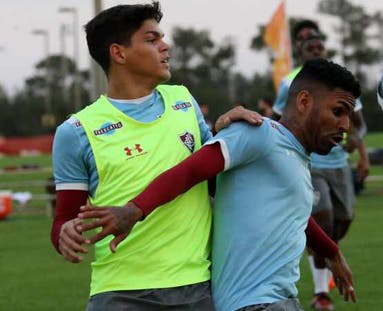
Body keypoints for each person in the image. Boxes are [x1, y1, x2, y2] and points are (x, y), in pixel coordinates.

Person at [76, 58, 360, 311]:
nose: (346, 125)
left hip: (278, 300)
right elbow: (190, 171)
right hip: (257, 303)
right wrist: (134, 210)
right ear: (304, 102)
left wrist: (331, 251)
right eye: (338, 111)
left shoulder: (292, 154)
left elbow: (294, 215)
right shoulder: (259, 134)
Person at [50, 2, 263, 310]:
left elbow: (212, 179)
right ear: (118, 53)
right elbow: (62, 220)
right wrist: (65, 235)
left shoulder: (183, 101)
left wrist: (225, 135)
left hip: (196, 287)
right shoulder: (77, 131)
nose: (166, 46)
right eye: (152, 40)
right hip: (120, 293)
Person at [273, 20, 369, 311]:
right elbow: (281, 121)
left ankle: (324, 262)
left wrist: (361, 152)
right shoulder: (291, 83)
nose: (314, 49)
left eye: (318, 45)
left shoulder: (341, 81)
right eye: (307, 45)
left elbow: (358, 125)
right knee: (324, 223)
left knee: (342, 222)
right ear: (300, 51)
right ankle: (320, 295)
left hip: (340, 164)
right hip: (310, 163)